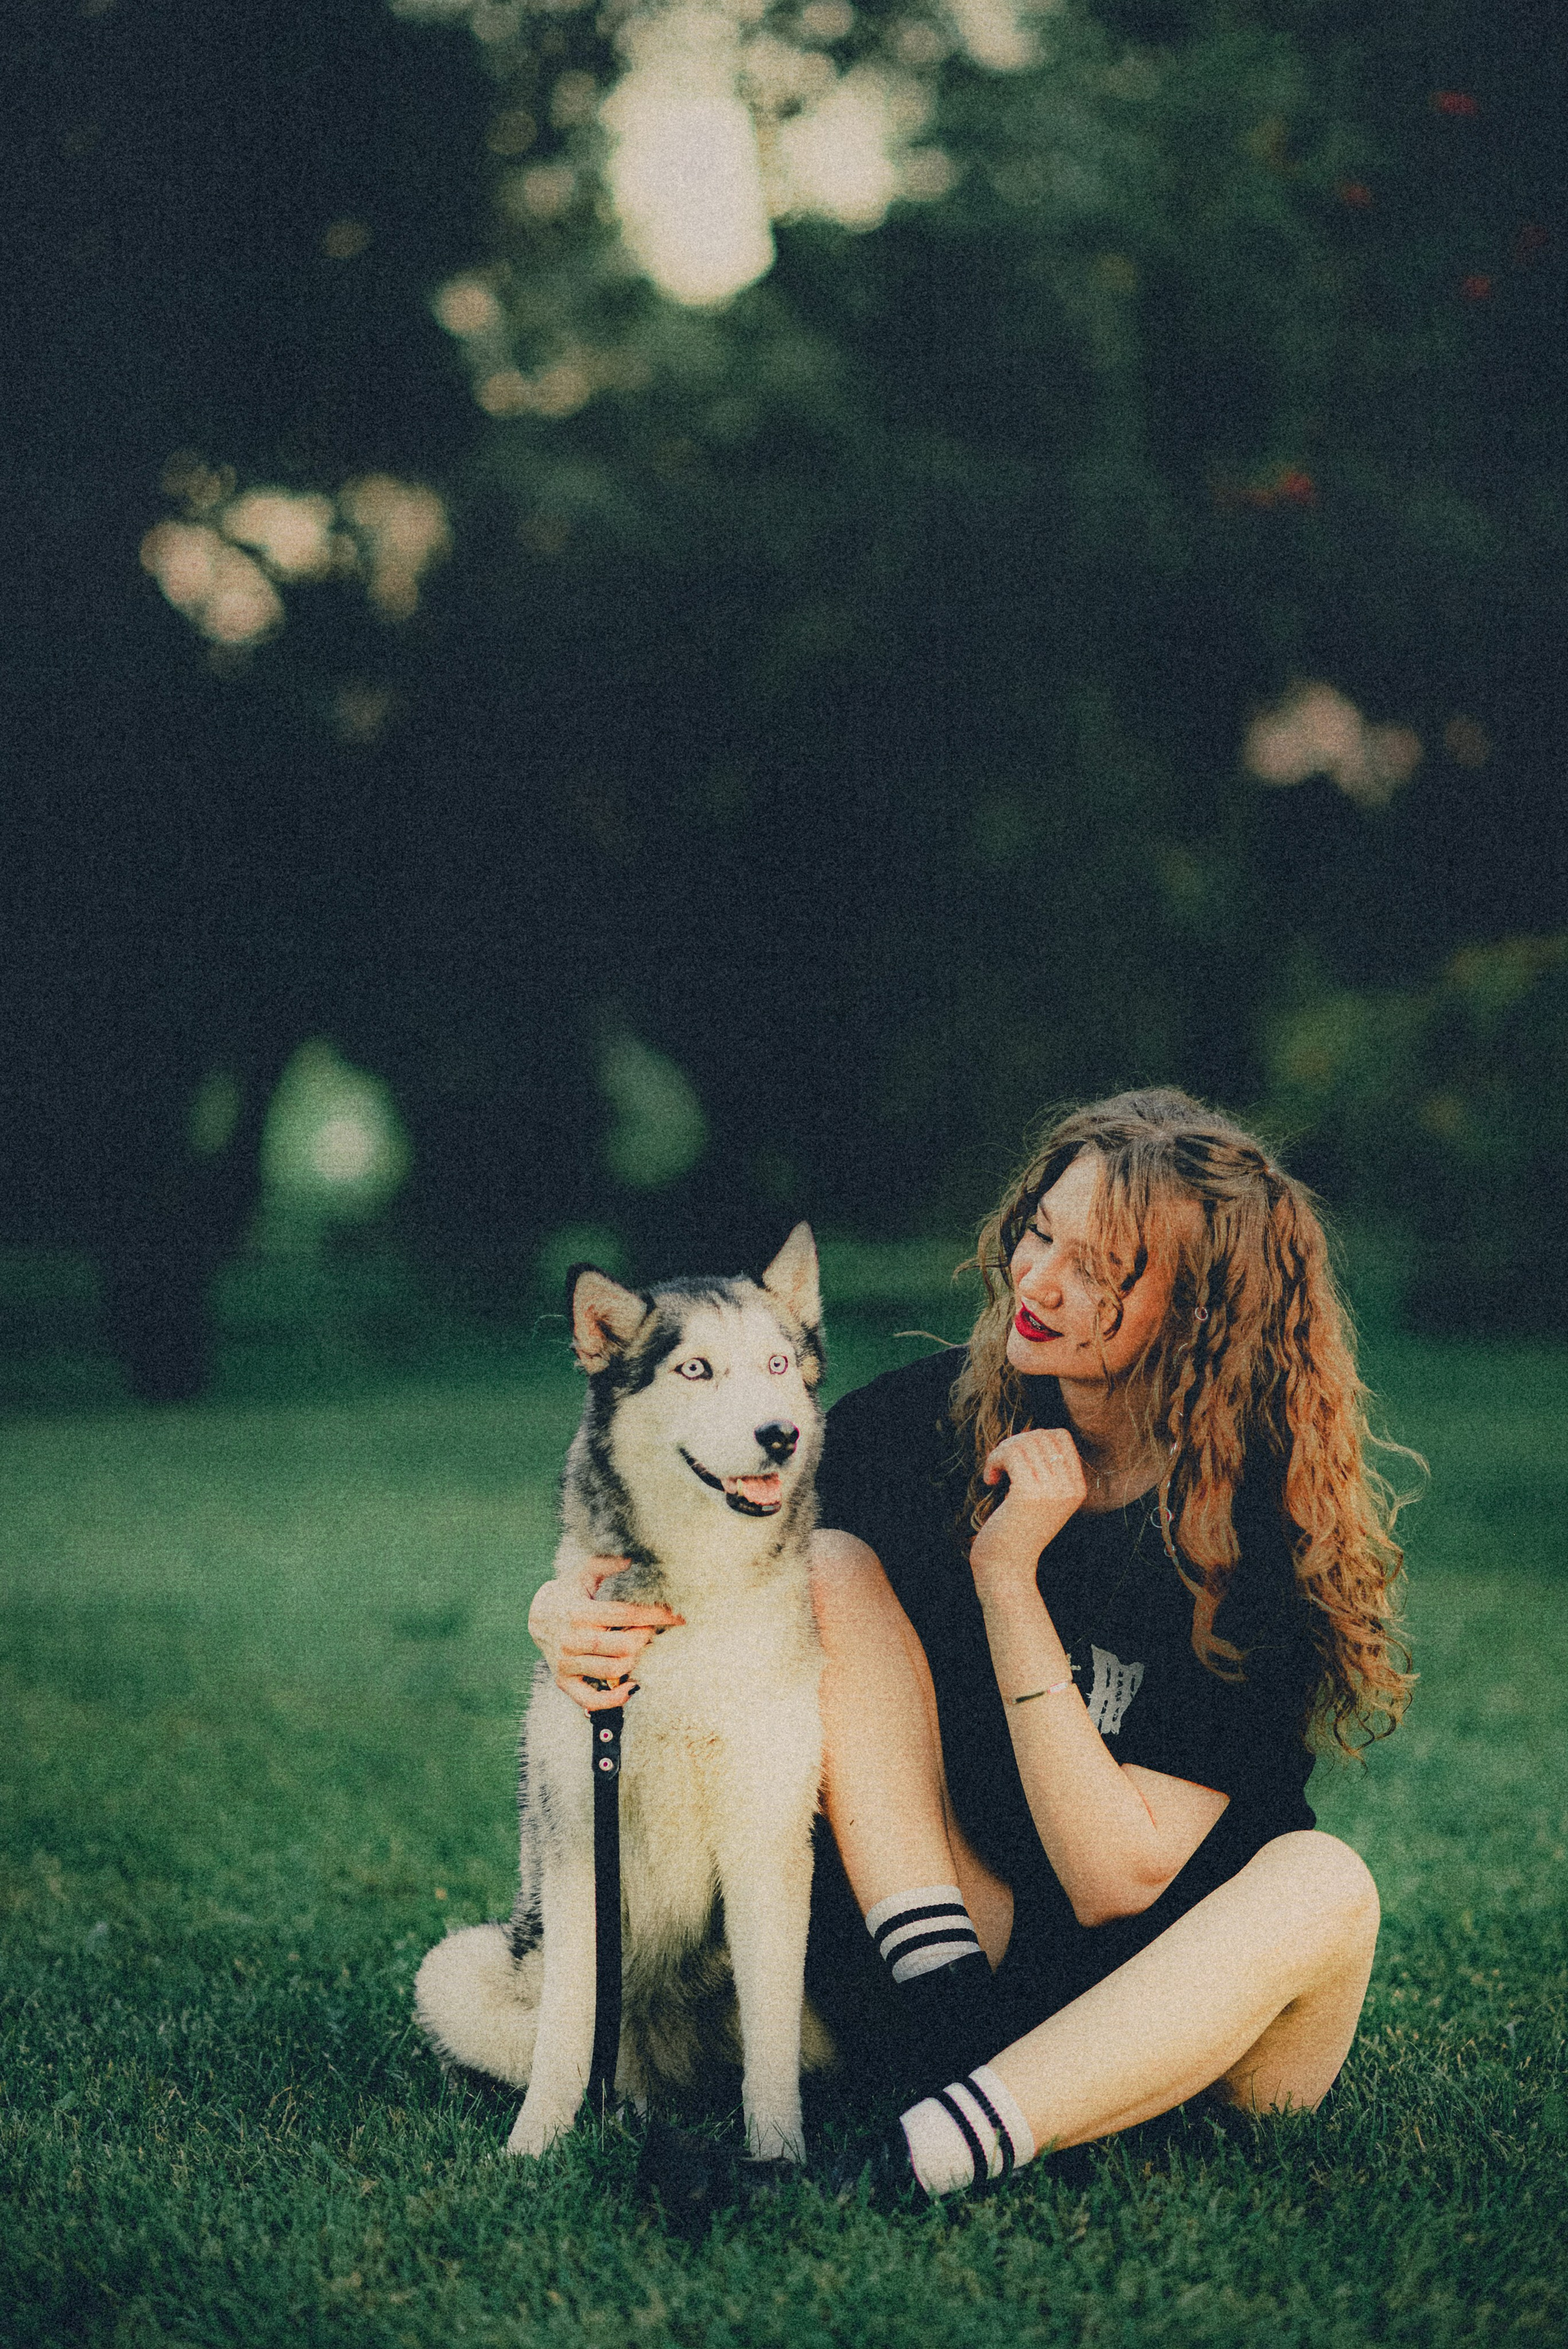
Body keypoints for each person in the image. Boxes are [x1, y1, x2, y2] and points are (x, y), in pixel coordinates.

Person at [529, 1089, 1415, 2204]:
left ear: (1197, 1307)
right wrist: (564, 1608)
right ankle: (954, 2045)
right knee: (831, 1565)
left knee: (1327, 1885)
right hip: (962, 1943)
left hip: (1187, 1999)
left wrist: (1009, 1580)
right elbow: (705, 1532)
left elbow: (1115, 1881)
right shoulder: (925, 1421)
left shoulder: (1256, 1536)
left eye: (1103, 1267)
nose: (1039, 1283)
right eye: (1039, 1232)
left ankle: (902, 2160)